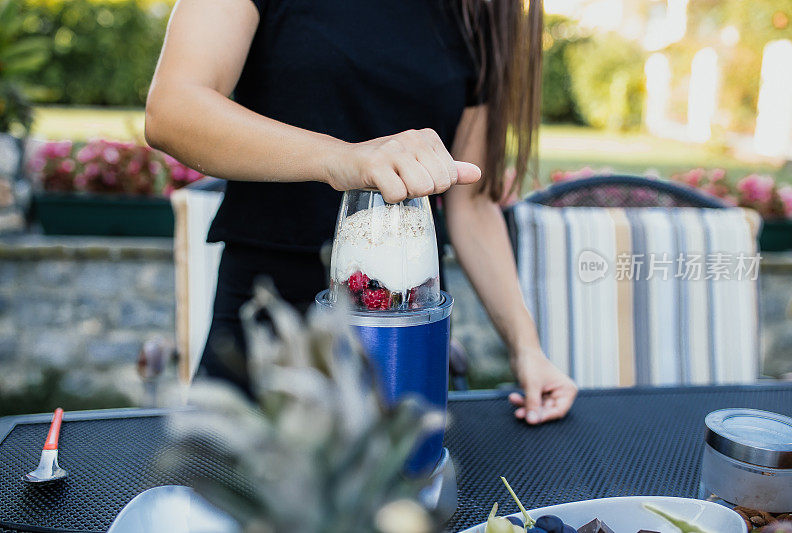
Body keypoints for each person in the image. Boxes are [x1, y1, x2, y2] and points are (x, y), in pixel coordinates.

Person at [145, 0, 577, 425]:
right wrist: (342, 158)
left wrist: (527, 350)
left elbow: (473, 205)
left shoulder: (480, 9)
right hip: (268, 326)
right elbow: (172, 108)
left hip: (404, 342)